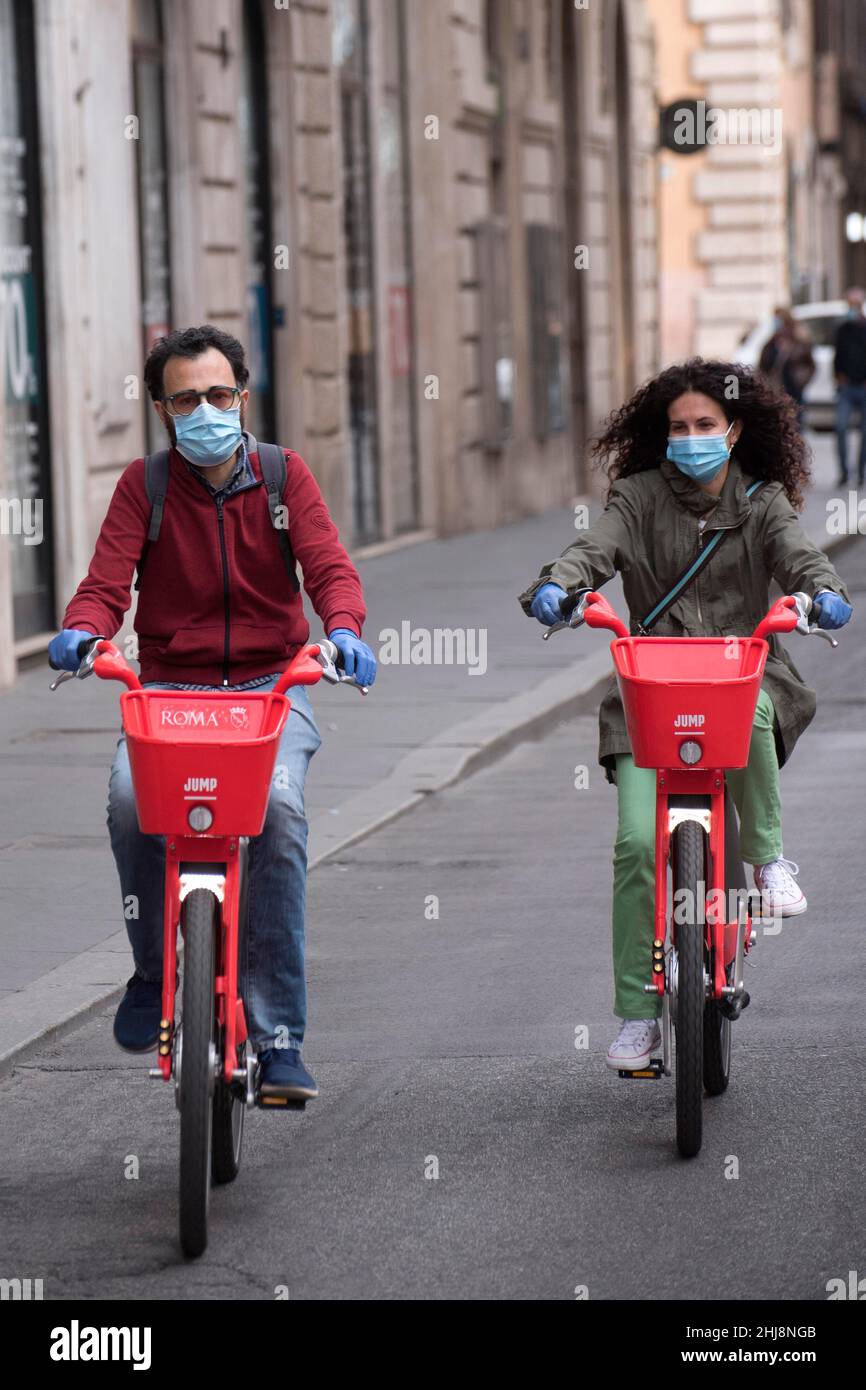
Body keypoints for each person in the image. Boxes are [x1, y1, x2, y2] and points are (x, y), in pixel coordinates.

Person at [48, 325, 377, 1102]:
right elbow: (106, 582)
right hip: (169, 697)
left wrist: (345, 633)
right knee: (132, 804)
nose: (206, 410)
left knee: (279, 814)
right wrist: (80, 630)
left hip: (271, 689)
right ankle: (154, 972)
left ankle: (279, 1035)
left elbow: (329, 569)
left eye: (219, 395)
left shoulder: (282, 477)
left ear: (243, 398)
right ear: (164, 408)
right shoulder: (146, 486)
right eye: (187, 398)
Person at [519, 359, 852, 1073]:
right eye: (679, 427)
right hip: (651, 698)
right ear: (661, 436)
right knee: (639, 846)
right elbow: (592, 549)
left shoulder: (763, 503)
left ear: (733, 432)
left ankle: (766, 861)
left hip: (739, 685)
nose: (691, 437)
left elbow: (800, 559)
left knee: (758, 706)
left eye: (705, 425)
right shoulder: (636, 499)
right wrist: (558, 586)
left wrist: (824, 593)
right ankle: (639, 1017)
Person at [757, 307, 815, 429]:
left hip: (794, 390)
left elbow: (809, 364)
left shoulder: (799, 340)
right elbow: (764, 364)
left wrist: (801, 381)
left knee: (796, 426)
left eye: (778, 319)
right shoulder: (772, 341)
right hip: (776, 390)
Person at [833, 287, 866, 486]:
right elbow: (837, 357)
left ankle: (861, 473)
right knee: (841, 428)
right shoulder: (842, 329)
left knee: (864, 432)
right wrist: (838, 377)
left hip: (863, 386)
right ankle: (844, 472)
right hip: (846, 387)